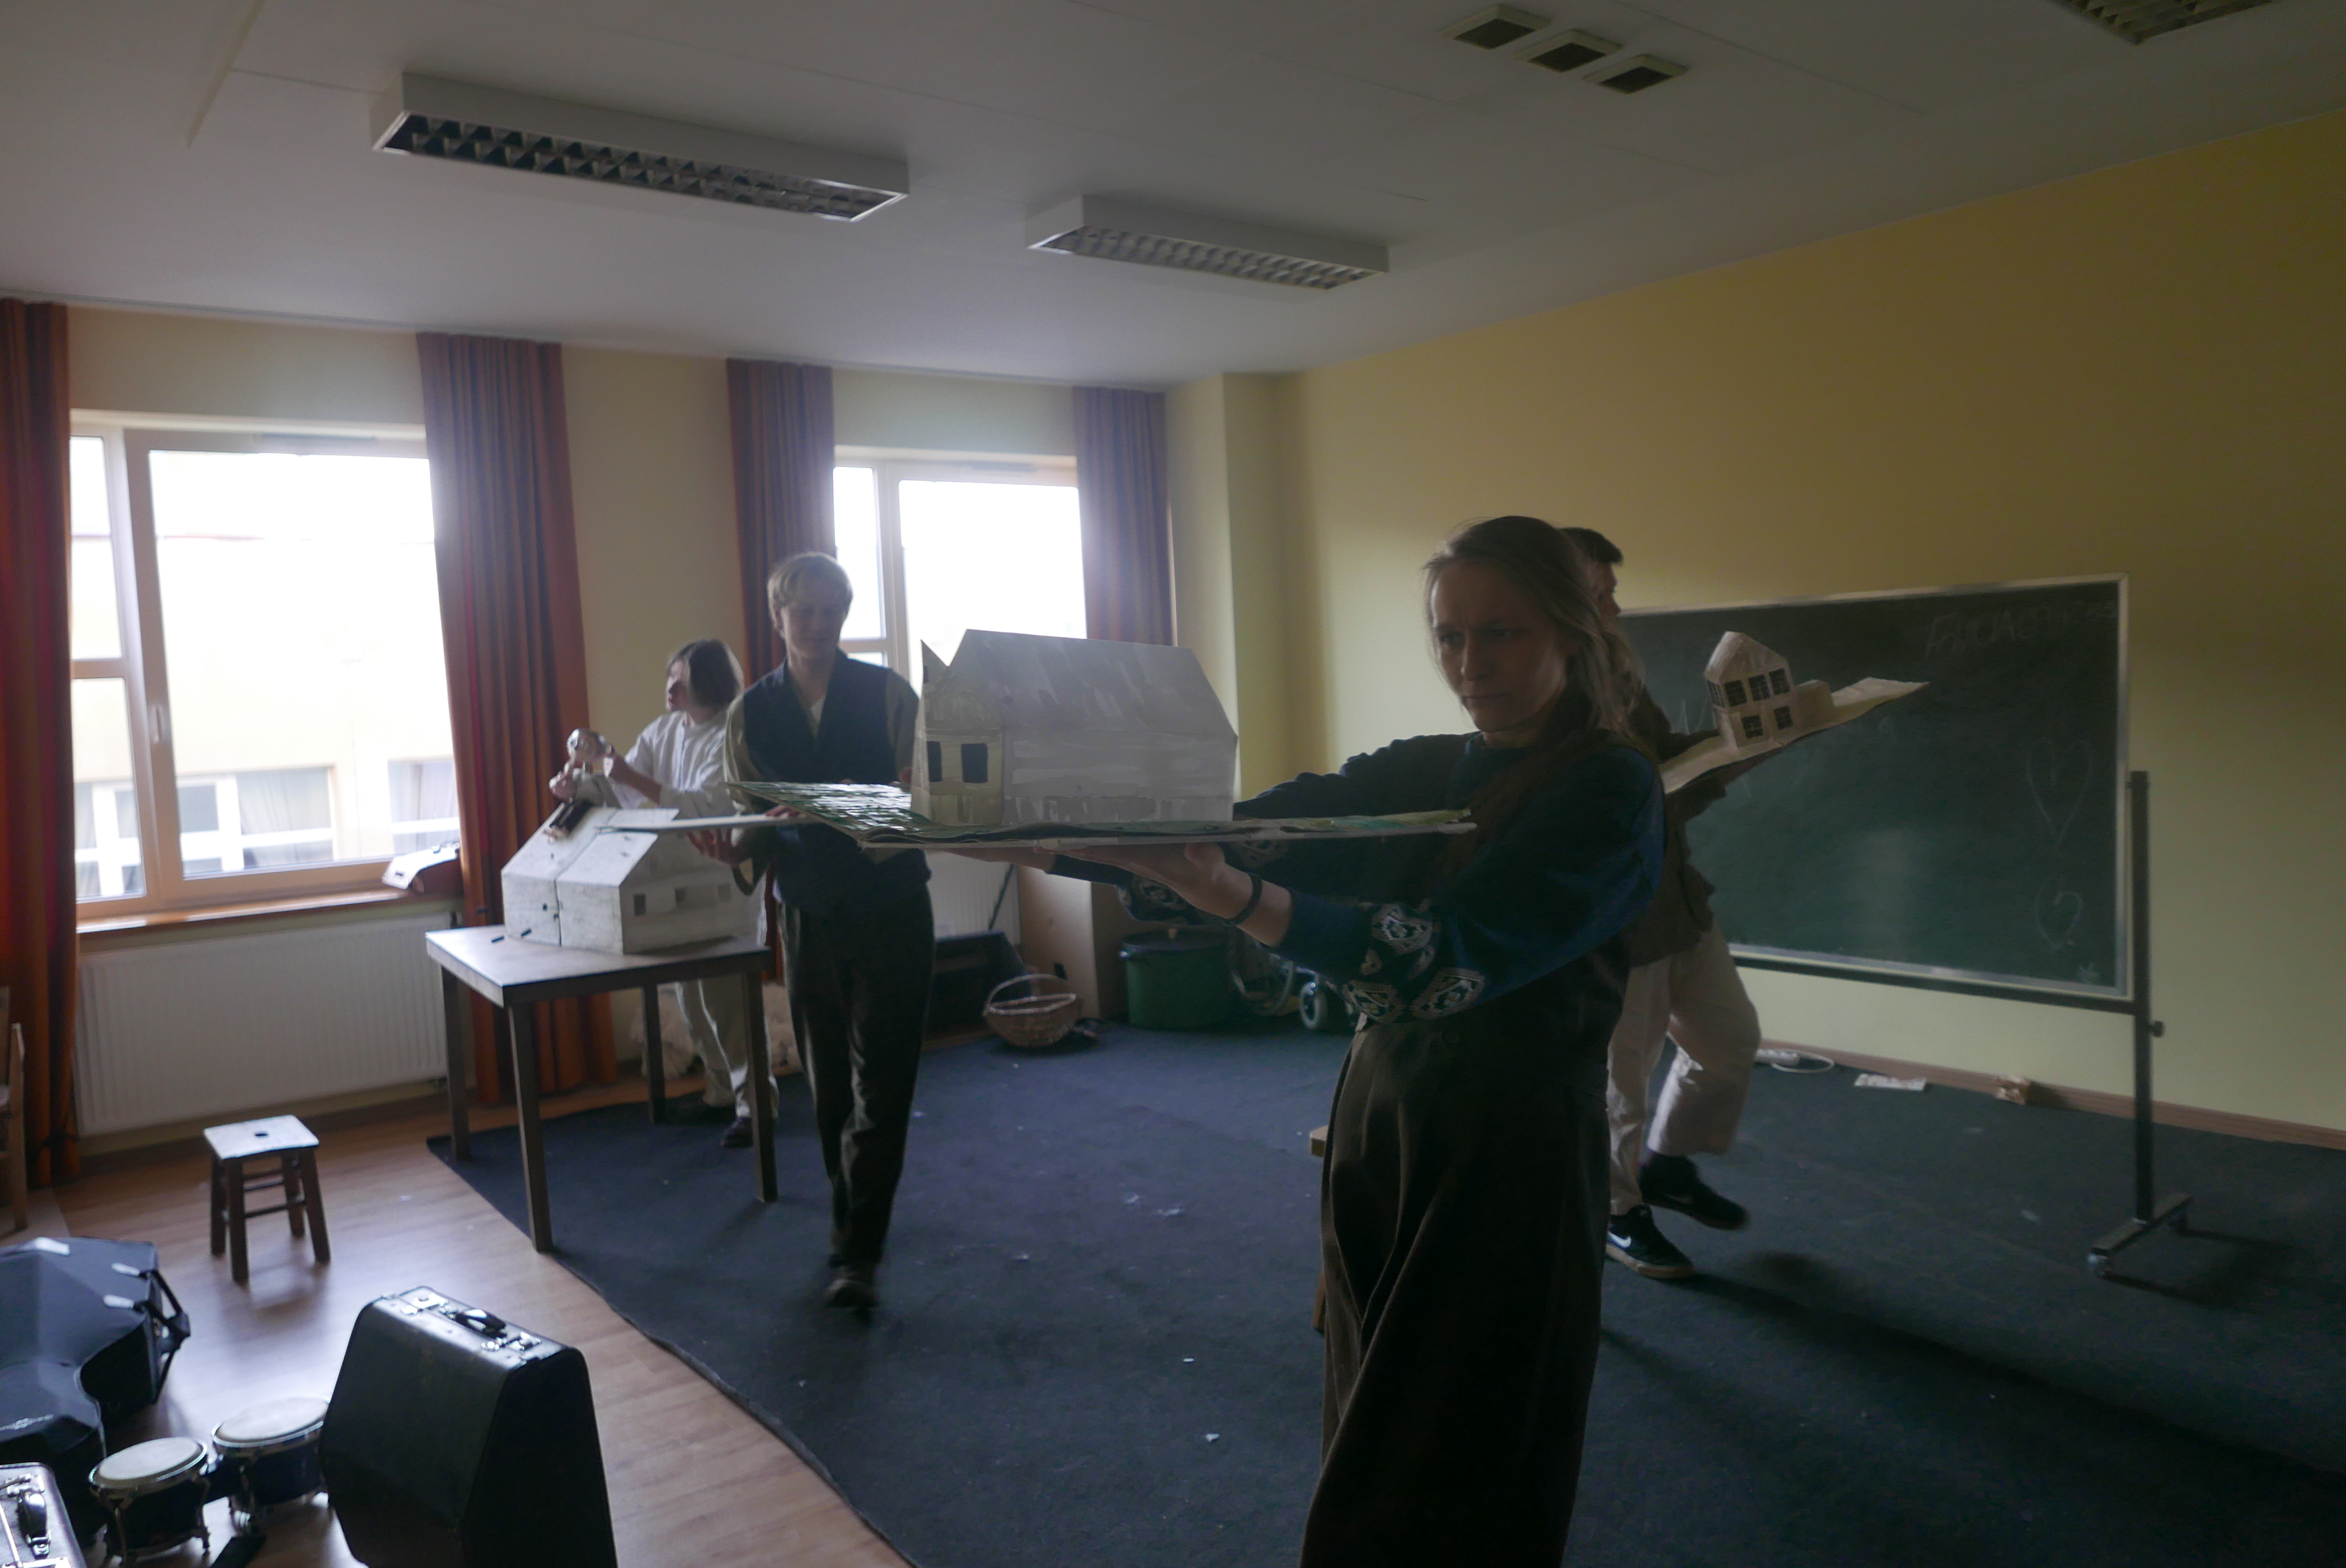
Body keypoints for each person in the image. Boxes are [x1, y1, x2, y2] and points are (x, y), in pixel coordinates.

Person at [990, 516, 1662, 1565]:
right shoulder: (1427, 767)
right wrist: (1011, 831)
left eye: (1502, 633)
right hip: (1384, 1120)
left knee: (1465, 1450)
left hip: (1508, 1147)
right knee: (1368, 1415)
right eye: (1449, 636)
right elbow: (1238, 831)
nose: (1470, 663)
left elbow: (1435, 964)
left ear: (1571, 632)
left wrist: (1230, 895)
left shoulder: (1610, 790)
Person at [699, 552, 930, 1312]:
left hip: (892, 904)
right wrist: (732, 847)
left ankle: (857, 1251)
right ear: (779, 618)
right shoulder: (750, 713)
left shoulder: (890, 695)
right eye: (805, 611)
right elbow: (749, 822)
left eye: (832, 610)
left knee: (884, 1084)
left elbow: (927, 796)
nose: (819, 624)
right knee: (829, 1088)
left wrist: (865, 804)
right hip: (806, 913)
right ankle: (850, 1219)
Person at [1564, 526, 1766, 1281]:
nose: (1615, 609)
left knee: (1729, 1044)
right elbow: (1629, 802)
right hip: (1619, 926)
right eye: (1600, 595)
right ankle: (1618, 1213)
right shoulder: (1548, 696)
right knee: (1622, 1087)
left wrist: (1742, 746)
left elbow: (1666, 770)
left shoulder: (1617, 673)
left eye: (1613, 593)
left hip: (1680, 904)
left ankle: (1669, 1166)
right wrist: (1710, 769)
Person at [550, 639, 759, 1146]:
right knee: (690, 999)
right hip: (675, 879)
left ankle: (757, 1106)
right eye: (670, 676)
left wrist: (631, 776)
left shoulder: (732, 733)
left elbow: (707, 808)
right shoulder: (663, 730)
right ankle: (719, 1093)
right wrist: (577, 789)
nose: (670, 687)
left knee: (726, 1001)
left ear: (708, 683)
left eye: (682, 680)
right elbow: (620, 793)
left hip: (721, 880)